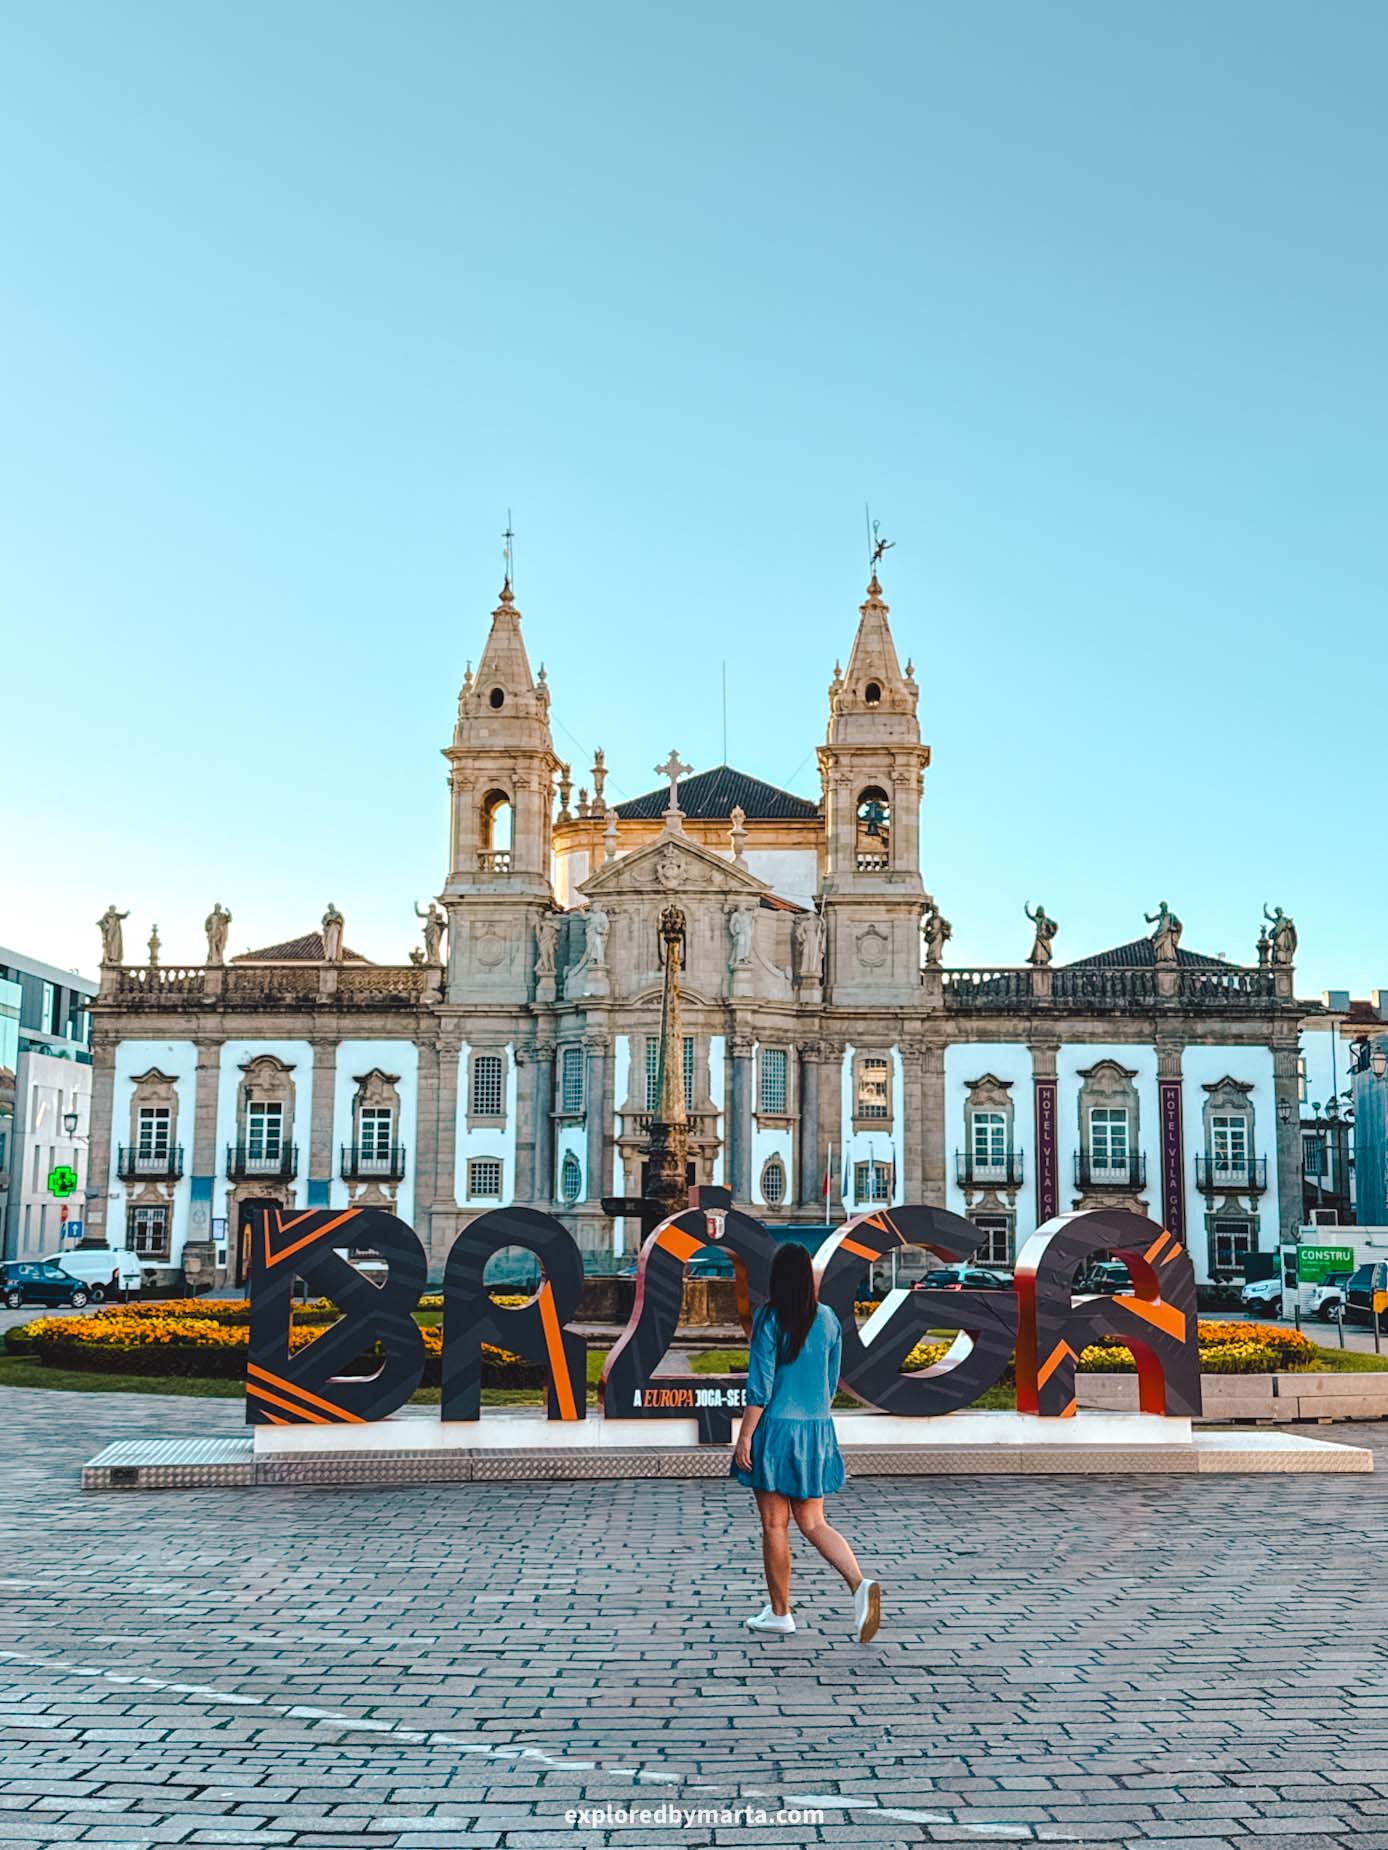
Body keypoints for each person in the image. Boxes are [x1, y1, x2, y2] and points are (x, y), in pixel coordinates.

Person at [731, 1243, 882, 1642]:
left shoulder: (769, 1319)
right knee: (814, 1522)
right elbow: (831, 1383)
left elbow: (760, 1387)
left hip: (776, 1431)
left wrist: (745, 1436)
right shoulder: (829, 1320)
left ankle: (781, 1612)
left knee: (774, 1524)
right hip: (817, 1430)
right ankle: (858, 1584)